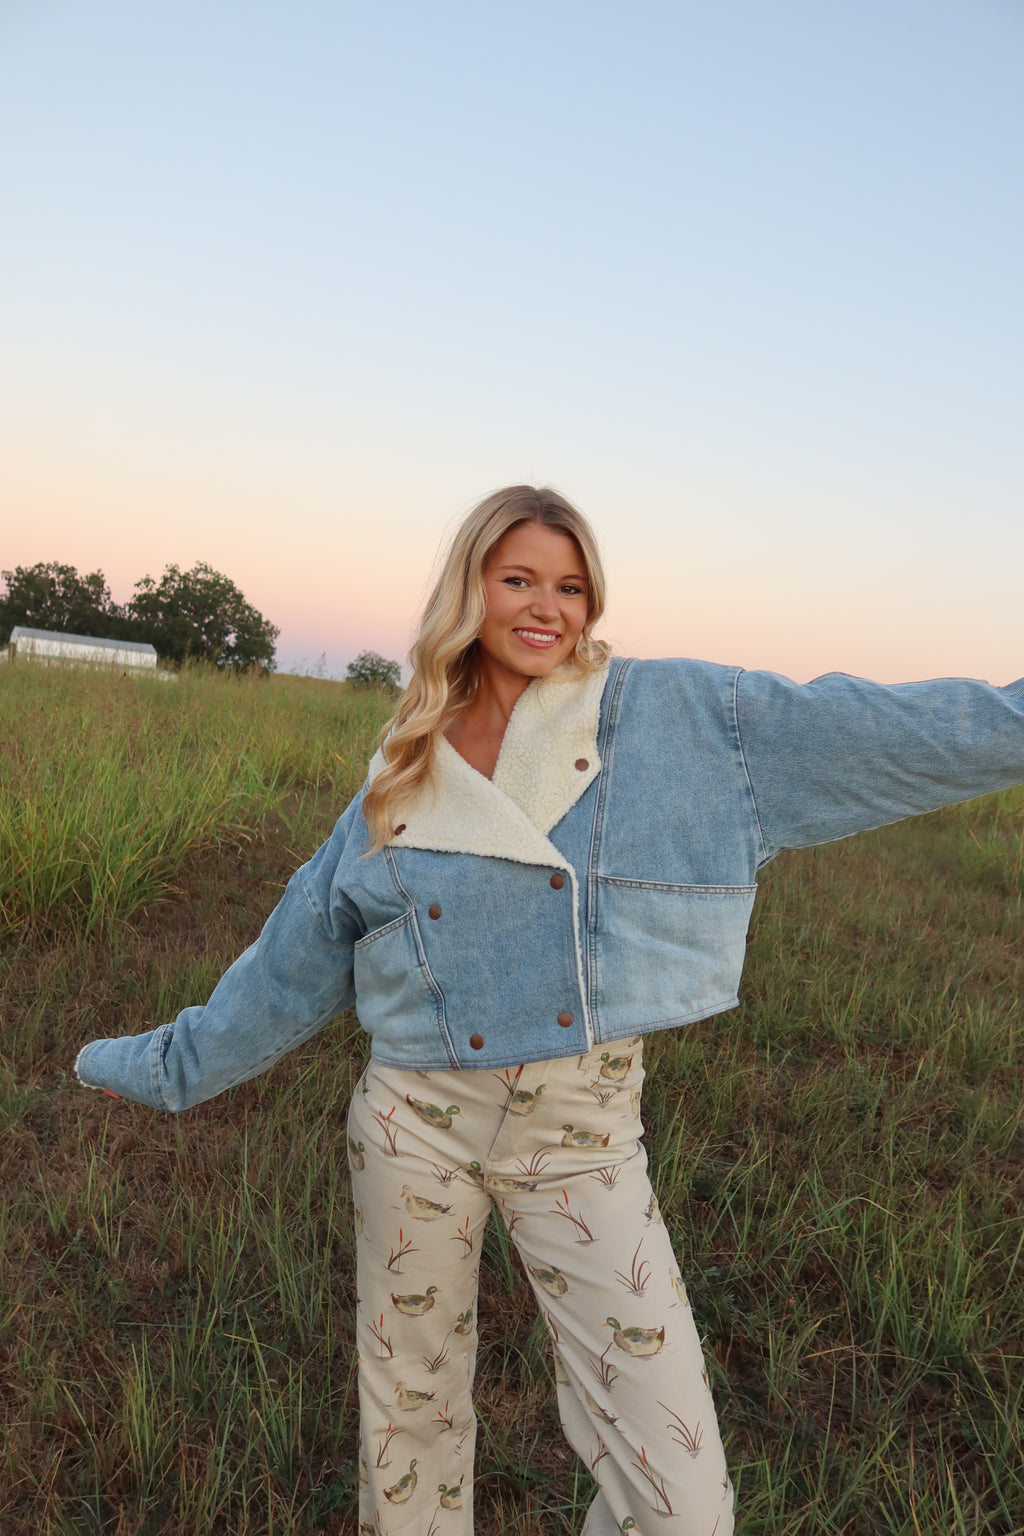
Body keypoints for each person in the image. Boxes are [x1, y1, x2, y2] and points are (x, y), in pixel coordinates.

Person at [76, 484, 1024, 1536]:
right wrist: (172, 1066)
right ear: (468, 590)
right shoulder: (403, 763)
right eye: (518, 578)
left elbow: (888, 728)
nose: (547, 608)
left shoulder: (674, 717)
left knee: (680, 1492)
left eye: (570, 587)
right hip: (409, 1129)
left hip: (582, 1140)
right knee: (410, 1420)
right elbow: (293, 962)